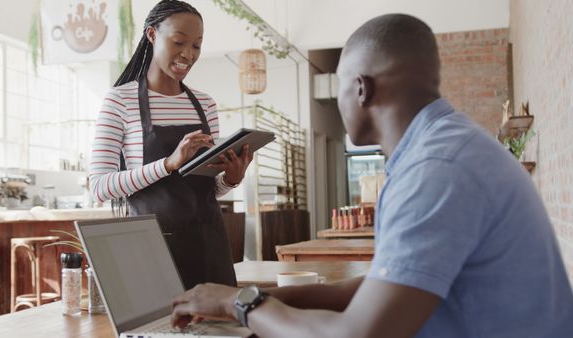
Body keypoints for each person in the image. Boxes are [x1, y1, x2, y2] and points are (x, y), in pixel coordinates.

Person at [169, 14, 573, 337]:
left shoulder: (436, 168)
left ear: (360, 88)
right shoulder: (443, 145)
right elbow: (366, 291)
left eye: (340, 86)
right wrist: (248, 295)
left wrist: (236, 306)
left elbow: (358, 333)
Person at [88, 0, 252, 289]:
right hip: (152, 249)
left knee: (222, 330)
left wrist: (231, 179)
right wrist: (168, 164)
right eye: (179, 42)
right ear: (152, 35)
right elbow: (100, 187)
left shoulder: (205, 104)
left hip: (208, 245)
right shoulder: (120, 101)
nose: (188, 55)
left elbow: (209, 188)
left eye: (197, 46)